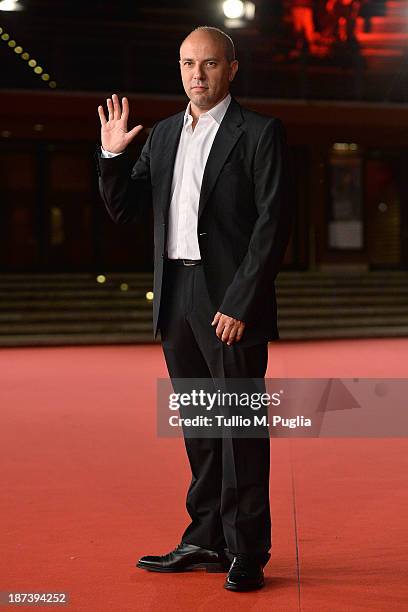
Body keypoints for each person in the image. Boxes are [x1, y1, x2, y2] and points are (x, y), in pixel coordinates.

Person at [95, 26, 293, 592]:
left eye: (208, 64)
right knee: (202, 427)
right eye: (187, 64)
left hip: (229, 302)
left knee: (239, 427)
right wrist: (112, 153)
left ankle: (247, 548)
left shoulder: (259, 133)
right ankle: (206, 536)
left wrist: (241, 303)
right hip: (176, 297)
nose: (196, 75)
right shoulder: (160, 136)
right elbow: (127, 210)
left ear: (232, 68)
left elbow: (272, 227)